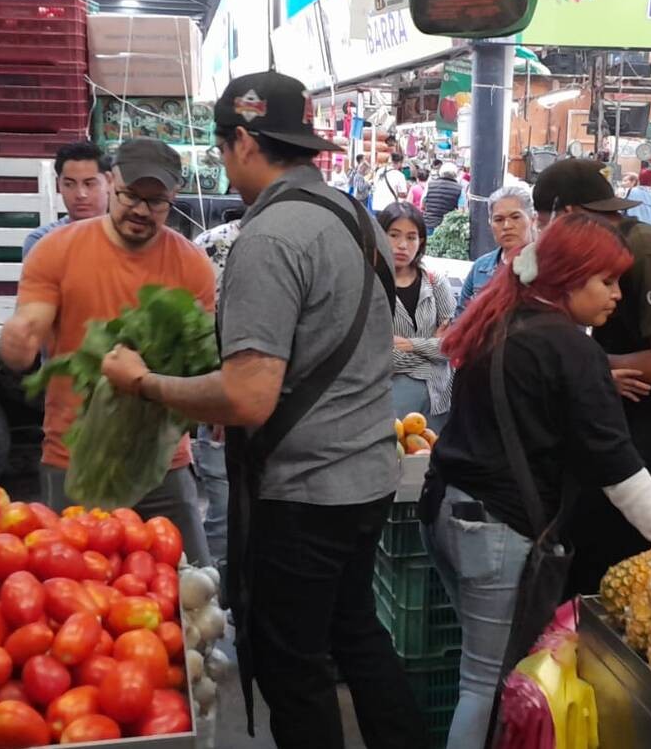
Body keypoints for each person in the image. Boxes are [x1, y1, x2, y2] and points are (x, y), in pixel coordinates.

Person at [98, 72, 425, 749]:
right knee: (357, 633)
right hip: (367, 475)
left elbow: (249, 394)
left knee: (291, 667)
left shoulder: (269, 237)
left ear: (244, 139)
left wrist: (144, 382)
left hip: (305, 493)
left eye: (222, 149)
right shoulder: (352, 214)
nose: (225, 164)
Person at [425, 213, 651, 747]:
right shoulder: (569, 346)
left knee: (480, 674)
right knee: (487, 683)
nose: (615, 296)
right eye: (606, 282)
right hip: (494, 528)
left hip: (450, 511)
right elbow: (616, 465)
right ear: (568, 276)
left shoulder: (503, 320)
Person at [0, 138, 214, 565]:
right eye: (131, 195)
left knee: (193, 588)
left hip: (162, 462)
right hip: (76, 458)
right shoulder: (57, 250)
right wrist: (18, 339)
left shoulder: (191, 265)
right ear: (112, 182)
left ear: (173, 199)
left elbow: (201, 361)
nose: (140, 210)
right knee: (73, 586)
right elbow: (31, 327)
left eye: (157, 202)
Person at [532, 159, 651, 596]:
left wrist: (592, 366)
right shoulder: (611, 250)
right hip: (622, 445)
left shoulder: (643, 253)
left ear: (567, 215)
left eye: (543, 224)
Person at [190, 206, 245, 576]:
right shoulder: (212, 246)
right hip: (223, 403)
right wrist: (218, 399)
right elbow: (196, 332)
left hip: (279, 410)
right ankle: (215, 596)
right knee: (224, 516)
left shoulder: (305, 244)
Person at [379, 202, 455, 432]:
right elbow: (376, 357)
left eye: (412, 237)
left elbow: (451, 347)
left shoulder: (435, 281)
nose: (402, 245)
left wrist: (410, 345)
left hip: (439, 400)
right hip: (388, 401)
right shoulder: (370, 285)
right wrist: (431, 350)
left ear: (421, 241)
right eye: (394, 235)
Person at [455, 185, 534, 319]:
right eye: (499, 219)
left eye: (515, 217)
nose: (507, 226)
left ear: (532, 219)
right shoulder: (481, 268)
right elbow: (460, 320)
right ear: (490, 223)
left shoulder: (549, 268)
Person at [23, 141, 112, 256]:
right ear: (59, 184)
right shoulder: (42, 240)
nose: (80, 194)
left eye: (89, 184)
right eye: (69, 184)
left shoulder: (127, 236)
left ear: (110, 181)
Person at [423, 162, 464, 231]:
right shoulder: (459, 189)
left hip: (428, 224)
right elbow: (461, 210)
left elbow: (423, 203)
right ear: (455, 174)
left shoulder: (430, 185)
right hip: (447, 227)